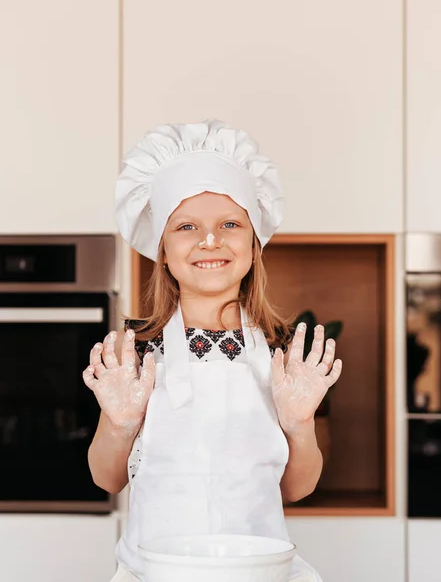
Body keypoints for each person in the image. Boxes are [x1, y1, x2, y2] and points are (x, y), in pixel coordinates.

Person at [83, 119, 342, 581]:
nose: (210, 241)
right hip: (155, 574)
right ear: (162, 249)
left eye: (229, 224)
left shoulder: (286, 352)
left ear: (254, 243)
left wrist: (300, 424)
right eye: (186, 226)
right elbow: (108, 478)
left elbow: (297, 488)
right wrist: (121, 425)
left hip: (261, 572)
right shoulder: (137, 352)